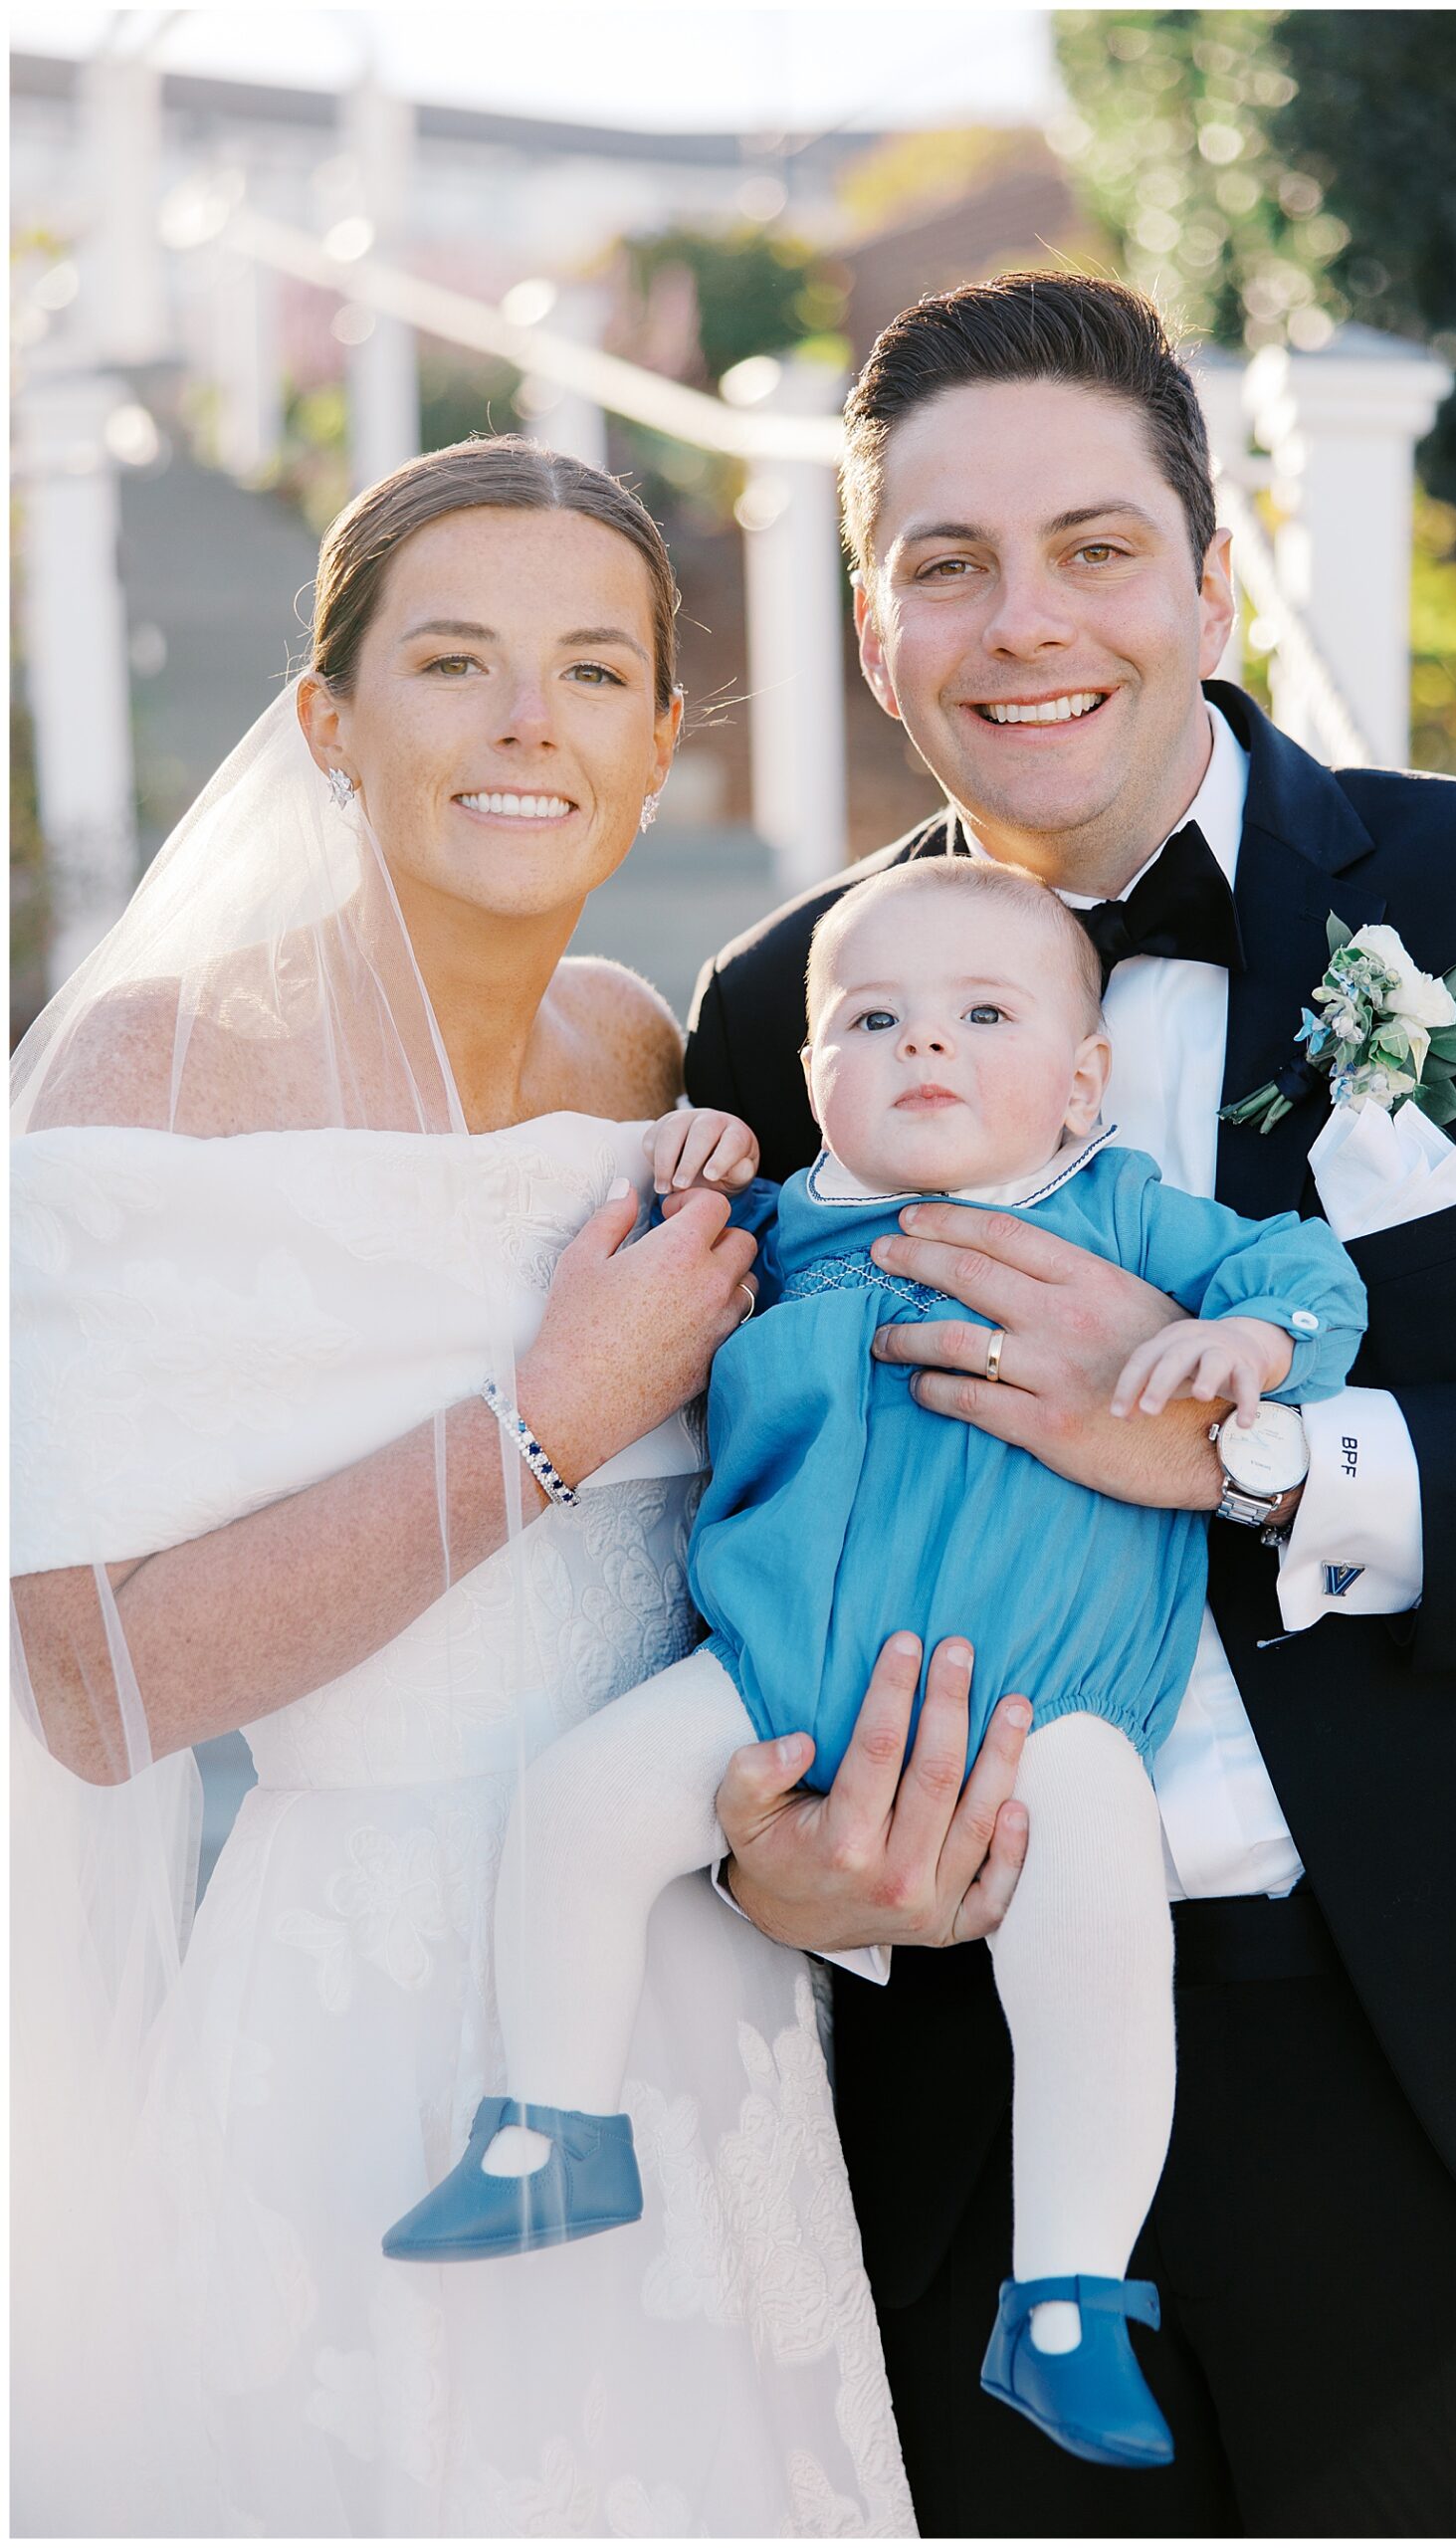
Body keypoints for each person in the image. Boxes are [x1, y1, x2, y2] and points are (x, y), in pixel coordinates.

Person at [684, 274, 1456, 2537]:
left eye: (1093, 545)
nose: (1020, 619)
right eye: (943, 561)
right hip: (958, 2093)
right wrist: (774, 1861)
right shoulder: (780, 1014)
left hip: (1449, 2076)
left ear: (1210, 574)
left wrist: (1251, 1455)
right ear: (873, 629)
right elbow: (717, 1511)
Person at [10, 438, 914, 2538]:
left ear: (662, 736)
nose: (530, 723)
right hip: (365, 2018)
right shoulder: (146, 1076)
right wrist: (541, 1425)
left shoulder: (637, 1053)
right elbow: (95, 1694)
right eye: (453, 661)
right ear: (327, 720)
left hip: (691, 2003)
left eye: (594, 669)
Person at [381, 856, 1364, 2477]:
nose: (926, 1046)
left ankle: (1064, 2297)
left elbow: (1303, 1275)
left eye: (986, 1015)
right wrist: (684, 1167)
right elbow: (628, 1297)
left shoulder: (1116, 1211)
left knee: (1100, 1946)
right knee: (577, 1804)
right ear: (811, 1066)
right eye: (874, 1018)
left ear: (1082, 1078)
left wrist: (1243, 1347)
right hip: (774, 1677)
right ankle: (555, 2124)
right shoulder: (767, 1231)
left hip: (1040, 1709)